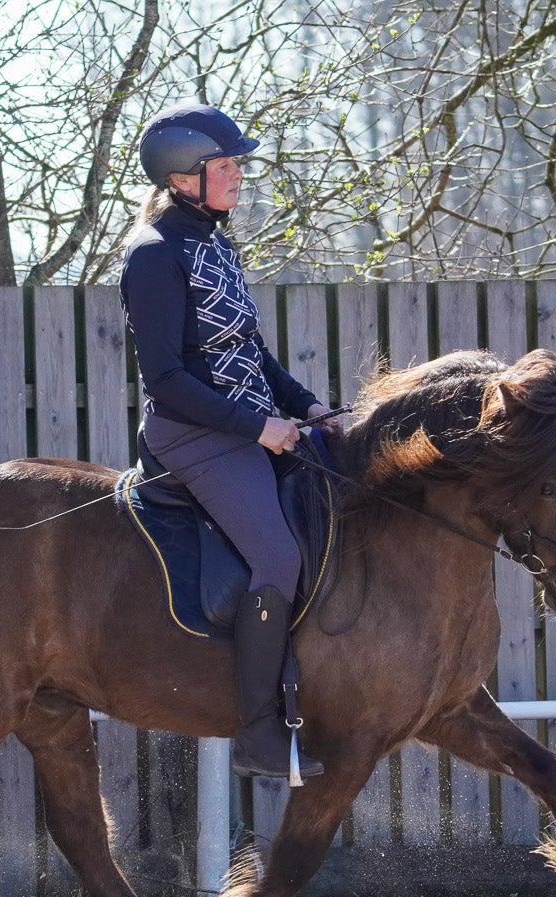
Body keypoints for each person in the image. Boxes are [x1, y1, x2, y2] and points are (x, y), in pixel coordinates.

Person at [119, 102, 338, 780]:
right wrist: (259, 427)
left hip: (247, 427)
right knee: (276, 553)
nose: (238, 175)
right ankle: (259, 733)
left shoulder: (214, 245)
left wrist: (308, 407)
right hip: (193, 437)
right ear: (185, 176)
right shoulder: (153, 257)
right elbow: (167, 381)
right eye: (226, 165)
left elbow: (249, 353)